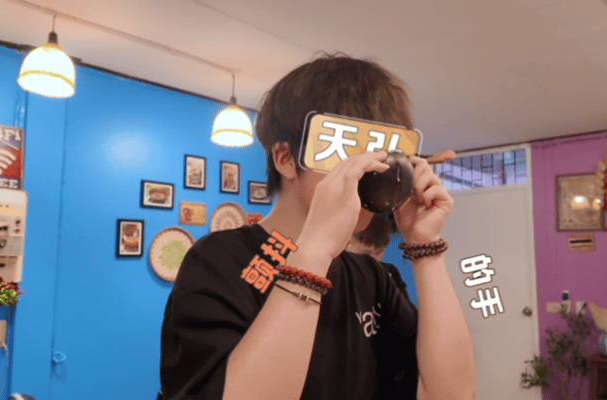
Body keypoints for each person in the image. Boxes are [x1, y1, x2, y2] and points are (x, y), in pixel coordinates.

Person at [160, 54, 476, 400]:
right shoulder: (217, 261)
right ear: (285, 158)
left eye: (382, 157)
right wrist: (314, 252)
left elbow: (453, 394)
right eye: (347, 153)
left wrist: (425, 246)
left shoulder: (371, 278)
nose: (369, 173)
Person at [346, 214, 411, 301]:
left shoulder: (390, 273)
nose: (372, 259)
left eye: (378, 252)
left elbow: (406, 307)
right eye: (366, 252)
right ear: (348, 243)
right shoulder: (336, 273)